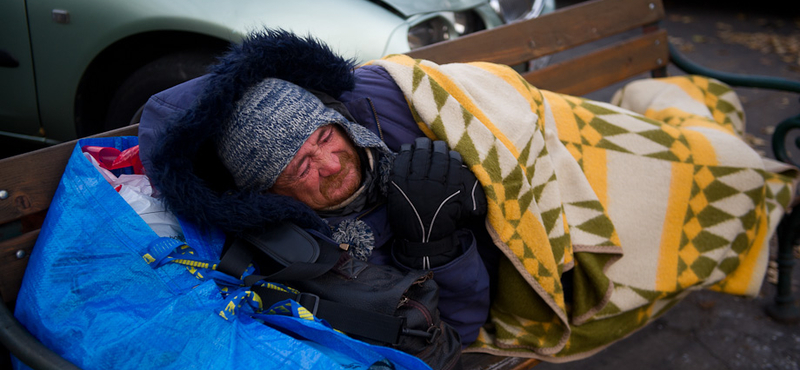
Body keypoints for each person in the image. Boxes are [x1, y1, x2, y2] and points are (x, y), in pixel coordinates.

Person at [139, 30, 496, 348]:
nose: (332, 164)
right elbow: (454, 336)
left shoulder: (397, 132)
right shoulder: (296, 251)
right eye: (301, 166)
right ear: (270, 192)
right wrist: (432, 248)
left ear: (338, 120)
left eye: (325, 137)